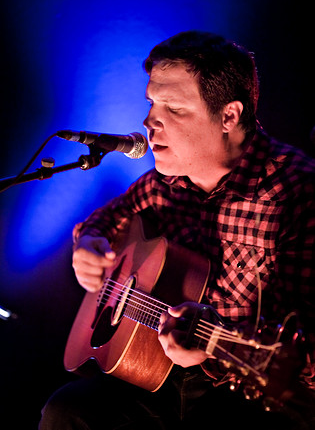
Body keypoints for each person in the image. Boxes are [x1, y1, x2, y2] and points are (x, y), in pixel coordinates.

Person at [39, 30, 315, 429]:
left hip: (250, 391)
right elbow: (106, 219)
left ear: (229, 116)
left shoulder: (296, 194)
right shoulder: (163, 183)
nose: (150, 122)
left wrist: (221, 341)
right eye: (152, 103)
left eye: (173, 107)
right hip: (158, 375)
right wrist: (91, 243)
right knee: (67, 412)